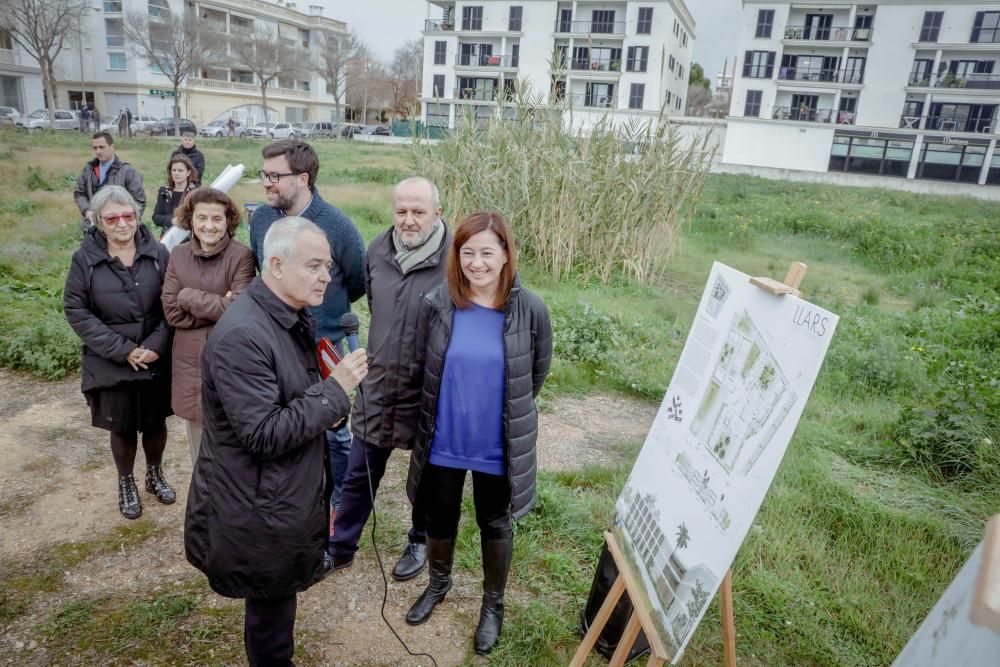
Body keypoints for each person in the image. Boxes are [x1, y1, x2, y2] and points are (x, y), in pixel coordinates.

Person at [185, 217, 368, 667]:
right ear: (277, 266)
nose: (327, 275)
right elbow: (263, 433)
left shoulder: (286, 313)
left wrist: (327, 399)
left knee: (277, 607)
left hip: (279, 495)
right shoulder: (244, 335)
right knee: (270, 618)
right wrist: (335, 390)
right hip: (256, 508)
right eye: (315, 265)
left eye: (328, 265)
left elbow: (292, 395)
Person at [405, 211, 552, 655]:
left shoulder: (530, 309)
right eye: (467, 252)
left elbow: (536, 373)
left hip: (496, 444)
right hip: (445, 439)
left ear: (507, 254)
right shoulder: (438, 303)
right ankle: (438, 584)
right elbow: (422, 367)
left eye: (488, 252)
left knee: (495, 521)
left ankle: (493, 605)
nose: (477, 263)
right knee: (439, 517)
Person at [328, 177, 450, 580]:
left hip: (429, 388)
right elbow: (378, 303)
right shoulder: (378, 249)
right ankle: (340, 545)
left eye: (419, 212)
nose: (409, 220)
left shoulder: (455, 260)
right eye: (402, 211)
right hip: (379, 382)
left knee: (428, 478)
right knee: (360, 471)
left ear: (438, 213)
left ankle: (418, 540)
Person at [249, 140, 365, 535]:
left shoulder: (337, 225)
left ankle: (340, 508)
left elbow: (358, 280)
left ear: (303, 178)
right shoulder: (262, 221)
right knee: (290, 424)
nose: (266, 184)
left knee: (334, 431)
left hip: (324, 346)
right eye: (264, 174)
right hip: (277, 342)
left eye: (274, 176)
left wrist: (324, 309)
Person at [62, 185, 175, 520]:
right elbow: (76, 309)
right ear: (99, 222)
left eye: (128, 216)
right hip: (111, 359)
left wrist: (155, 346)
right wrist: (124, 350)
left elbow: (172, 305)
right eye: (112, 218)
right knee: (122, 425)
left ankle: (154, 475)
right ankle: (125, 482)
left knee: (155, 422)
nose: (122, 224)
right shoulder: (85, 259)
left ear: (137, 216)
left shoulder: (158, 253)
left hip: (155, 356)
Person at [160, 188, 255, 464]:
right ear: (190, 219)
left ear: (228, 221)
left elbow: (240, 312)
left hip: (231, 361)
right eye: (202, 218)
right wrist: (218, 305)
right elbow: (172, 313)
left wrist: (187, 296)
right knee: (200, 454)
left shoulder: (242, 257)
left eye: (217, 218)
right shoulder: (177, 255)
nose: (209, 226)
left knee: (235, 451)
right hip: (191, 365)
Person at [74, 131, 146, 231]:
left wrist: (124, 222)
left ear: (112, 147)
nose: (98, 151)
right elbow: (79, 193)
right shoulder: (88, 170)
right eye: (95, 148)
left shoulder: (128, 171)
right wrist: (87, 211)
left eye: (101, 147)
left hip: (120, 229)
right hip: (92, 227)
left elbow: (139, 201)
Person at [151, 155, 198, 237]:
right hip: (168, 238)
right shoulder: (164, 191)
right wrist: (172, 220)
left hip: (189, 239)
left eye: (180, 170)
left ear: (188, 172)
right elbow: (156, 217)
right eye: (174, 170)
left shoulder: (195, 193)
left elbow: (198, 217)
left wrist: (183, 221)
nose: (176, 173)